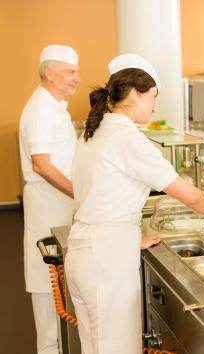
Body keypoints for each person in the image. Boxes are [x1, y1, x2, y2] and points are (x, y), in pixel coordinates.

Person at [64, 54, 204, 353]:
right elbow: (188, 194)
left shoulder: (92, 129)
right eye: (153, 97)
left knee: (94, 347)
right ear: (135, 92)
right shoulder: (126, 137)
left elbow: (98, 196)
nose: (154, 105)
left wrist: (129, 238)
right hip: (106, 261)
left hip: (87, 252)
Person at [19, 44, 80, 354]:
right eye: (71, 72)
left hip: (61, 204)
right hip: (48, 204)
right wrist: (78, 192)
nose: (77, 79)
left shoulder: (55, 107)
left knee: (60, 285)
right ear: (50, 72)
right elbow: (41, 164)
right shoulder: (41, 109)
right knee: (48, 288)